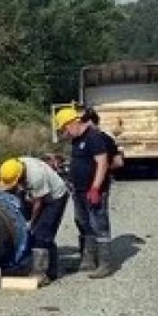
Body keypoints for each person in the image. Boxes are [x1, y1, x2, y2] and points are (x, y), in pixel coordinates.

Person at [54, 107, 113, 279]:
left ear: (73, 123)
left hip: (93, 190)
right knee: (83, 222)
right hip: (79, 190)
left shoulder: (93, 137)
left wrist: (95, 187)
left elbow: (102, 163)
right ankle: (88, 260)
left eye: (65, 129)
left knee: (99, 225)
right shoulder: (76, 140)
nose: (65, 132)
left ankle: (104, 264)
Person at [0, 156, 70, 283]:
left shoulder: (36, 175)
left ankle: (42, 273)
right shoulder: (14, 166)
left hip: (55, 198)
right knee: (37, 231)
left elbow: (38, 203)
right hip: (37, 195)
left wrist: (31, 222)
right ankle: (43, 266)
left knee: (42, 233)